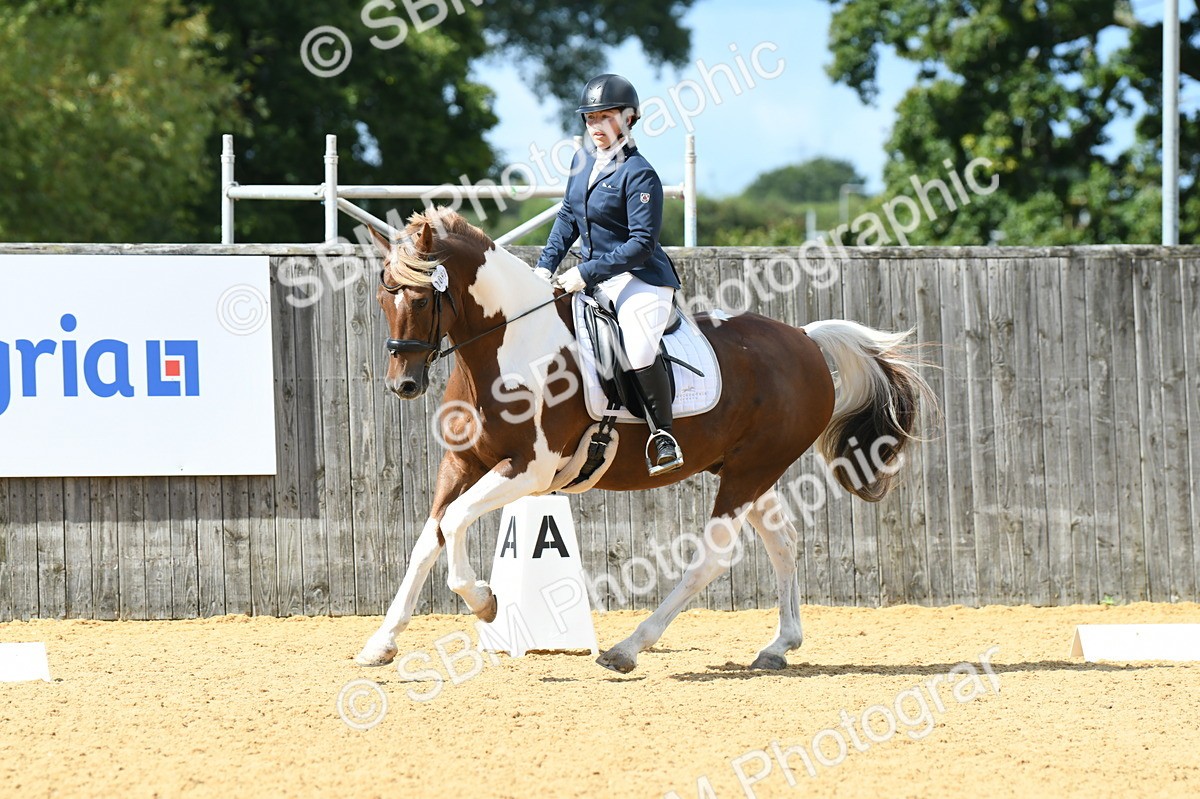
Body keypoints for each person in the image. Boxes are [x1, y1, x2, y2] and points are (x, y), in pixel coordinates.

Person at [534, 73, 684, 477]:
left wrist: (584, 271)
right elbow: (567, 214)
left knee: (636, 349)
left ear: (629, 118)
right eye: (590, 119)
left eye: (605, 117)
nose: (596, 127)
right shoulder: (581, 162)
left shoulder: (640, 173)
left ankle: (663, 435)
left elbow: (641, 244)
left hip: (640, 279)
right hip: (594, 278)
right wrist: (546, 264)